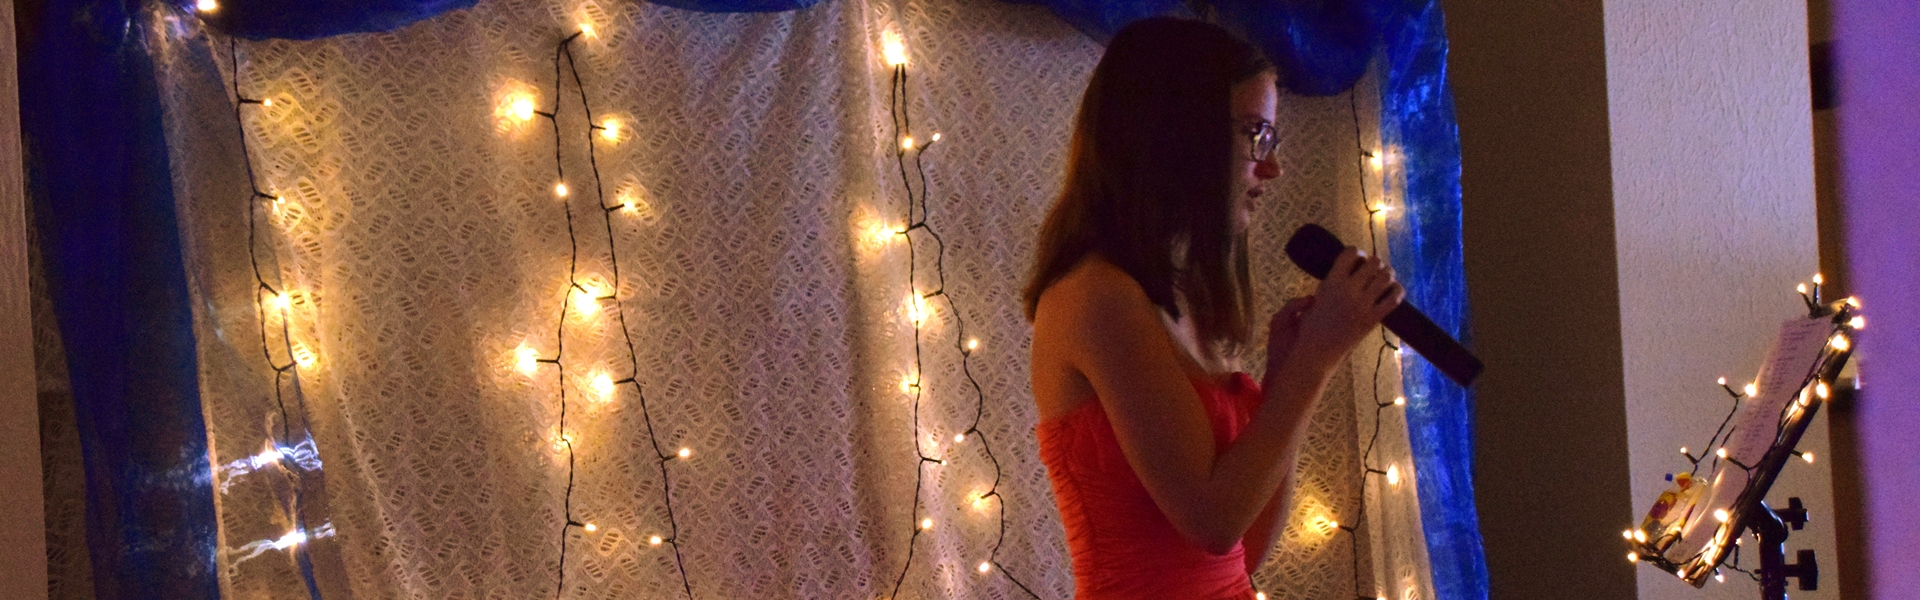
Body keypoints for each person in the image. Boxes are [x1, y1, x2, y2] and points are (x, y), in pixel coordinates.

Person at [1023, 17, 1403, 599]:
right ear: (1175, 136)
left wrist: (1286, 374)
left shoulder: (1182, 300)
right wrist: (1316, 358)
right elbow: (1211, 521)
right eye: (1255, 134)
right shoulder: (1096, 297)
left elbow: (1246, 548)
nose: (1271, 167)